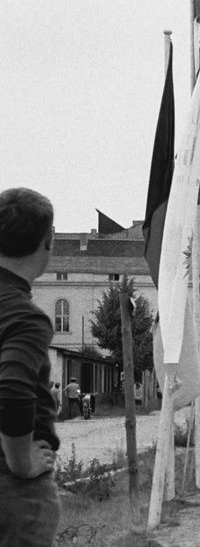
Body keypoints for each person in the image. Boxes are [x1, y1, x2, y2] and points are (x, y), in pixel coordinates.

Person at [0, 187, 60, 546]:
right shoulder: (24, 317)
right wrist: (21, 460)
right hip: (13, 490)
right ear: (47, 242)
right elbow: (11, 388)